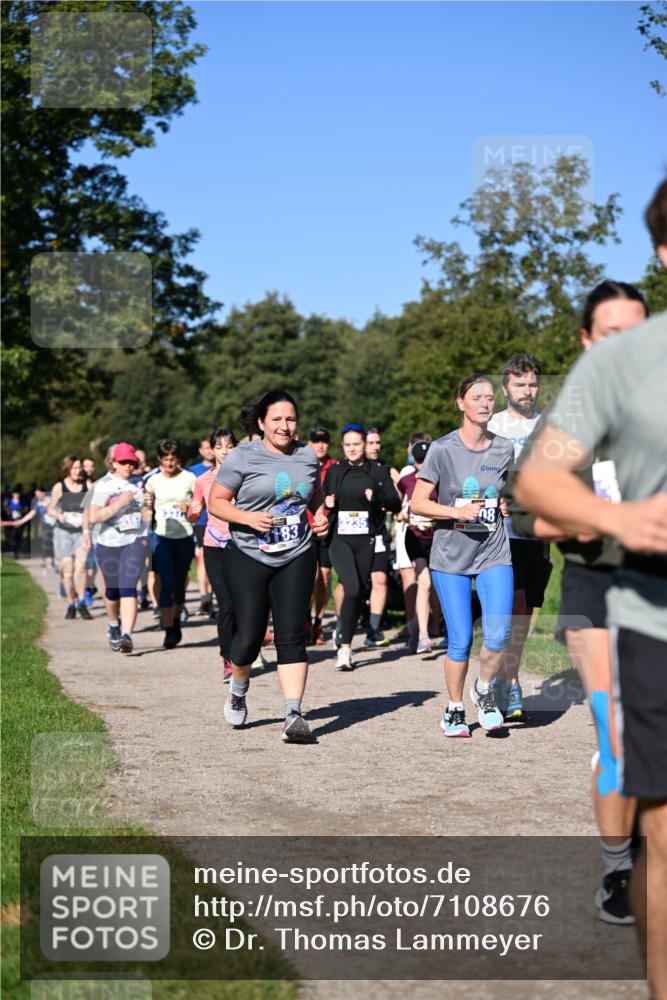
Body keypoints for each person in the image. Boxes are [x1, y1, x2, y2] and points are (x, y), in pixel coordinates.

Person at [516, 177, 667, 996]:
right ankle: (618, 867)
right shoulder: (568, 417)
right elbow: (533, 517)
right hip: (596, 588)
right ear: (583, 340)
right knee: (614, 726)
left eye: (633, 332)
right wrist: (598, 521)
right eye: (607, 333)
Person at [208, 391, 329, 743]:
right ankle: (239, 687)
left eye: (290, 419)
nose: (284, 426)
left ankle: (293, 713)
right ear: (261, 423)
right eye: (276, 419)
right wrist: (247, 517)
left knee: (292, 633)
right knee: (249, 635)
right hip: (248, 553)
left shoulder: (307, 455)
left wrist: (319, 515)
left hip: (297, 552)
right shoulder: (243, 456)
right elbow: (216, 502)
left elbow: (314, 493)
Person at [411, 374, 514, 737]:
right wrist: (456, 513)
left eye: (490, 397)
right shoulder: (441, 449)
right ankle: (454, 709)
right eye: (477, 397)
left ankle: (483, 690)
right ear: (461, 403)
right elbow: (418, 503)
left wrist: (504, 501)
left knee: (500, 634)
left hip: (493, 550)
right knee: (460, 639)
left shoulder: (504, 448)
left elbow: (505, 490)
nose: (485, 403)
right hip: (451, 556)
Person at [488, 354, 552, 720]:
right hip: (500, 533)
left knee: (525, 609)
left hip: (536, 532)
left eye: (532, 384)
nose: (527, 391)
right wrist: (495, 499)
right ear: (505, 388)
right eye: (519, 384)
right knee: (510, 604)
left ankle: (505, 675)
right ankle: (508, 681)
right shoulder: (492, 425)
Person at [323, 424, 401, 670]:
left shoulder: (377, 472)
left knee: (357, 589)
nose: (352, 449)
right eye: (348, 445)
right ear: (343, 446)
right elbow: (323, 500)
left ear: (365, 445)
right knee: (353, 587)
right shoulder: (335, 472)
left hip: (366, 539)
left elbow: (395, 504)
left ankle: (344, 632)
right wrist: (327, 503)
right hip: (340, 539)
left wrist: (376, 498)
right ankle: (345, 648)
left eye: (357, 444)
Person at [88, 443, 151, 653]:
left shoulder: (139, 484)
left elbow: (147, 517)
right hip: (108, 543)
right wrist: (120, 504)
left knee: (128, 587)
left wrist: (149, 505)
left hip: (135, 540)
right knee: (112, 591)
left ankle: (127, 636)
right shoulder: (103, 485)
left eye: (132, 462)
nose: (128, 466)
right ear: (113, 462)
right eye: (124, 462)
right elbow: (94, 516)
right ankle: (114, 624)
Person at [188, 428, 237, 681]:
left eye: (229, 446)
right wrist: (194, 511)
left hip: (243, 544)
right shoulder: (203, 480)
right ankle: (228, 659)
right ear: (212, 451)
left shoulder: (247, 477)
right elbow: (194, 514)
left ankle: (246, 649)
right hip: (215, 545)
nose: (225, 451)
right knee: (226, 603)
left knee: (247, 603)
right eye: (219, 447)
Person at [144, 439, 196, 649]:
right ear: (159, 459)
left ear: (179, 459)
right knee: (165, 583)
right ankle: (168, 630)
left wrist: (189, 506)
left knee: (179, 583)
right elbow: (146, 503)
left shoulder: (190, 478)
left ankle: (176, 621)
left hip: (184, 536)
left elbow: (199, 504)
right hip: (162, 536)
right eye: (165, 459)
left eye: (173, 459)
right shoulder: (153, 481)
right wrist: (147, 508)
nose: (169, 463)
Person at [397, 441, 436, 654]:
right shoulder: (405, 481)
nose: (422, 465)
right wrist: (402, 515)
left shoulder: (442, 479)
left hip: (437, 538)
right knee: (425, 582)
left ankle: (418, 625)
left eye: (426, 460)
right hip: (414, 537)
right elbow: (397, 505)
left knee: (436, 585)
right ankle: (423, 636)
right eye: (418, 460)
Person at [363, 426, 400, 646]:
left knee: (380, 579)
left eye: (378, 443)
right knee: (352, 585)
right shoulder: (348, 469)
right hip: (352, 535)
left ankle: (373, 631)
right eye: (371, 443)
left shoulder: (386, 470)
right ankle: (341, 625)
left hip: (378, 533)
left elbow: (398, 499)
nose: (376, 447)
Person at [47, 457, 93, 620]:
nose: (77, 471)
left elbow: (89, 510)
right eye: (74, 468)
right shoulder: (60, 487)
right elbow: (50, 509)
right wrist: (59, 515)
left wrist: (87, 531)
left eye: (79, 468)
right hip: (63, 532)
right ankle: (71, 604)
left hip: (81, 531)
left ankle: (82, 603)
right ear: (67, 469)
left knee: (80, 569)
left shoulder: (87, 486)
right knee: (68, 571)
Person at [306, 426, 337, 645]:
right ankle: (305, 622)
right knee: (309, 578)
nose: (320, 445)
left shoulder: (335, 467)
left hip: (327, 529)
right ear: (309, 443)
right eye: (316, 441)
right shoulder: (303, 464)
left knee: (324, 578)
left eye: (324, 441)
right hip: (306, 529)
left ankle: (318, 623)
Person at [188, 436, 215, 616]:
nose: (208, 451)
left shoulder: (226, 469)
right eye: (204, 448)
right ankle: (204, 597)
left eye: (210, 447)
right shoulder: (193, 471)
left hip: (218, 520)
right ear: (200, 450)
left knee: (213, 559)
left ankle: (211, 597)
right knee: (202, 558)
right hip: (200, 521)